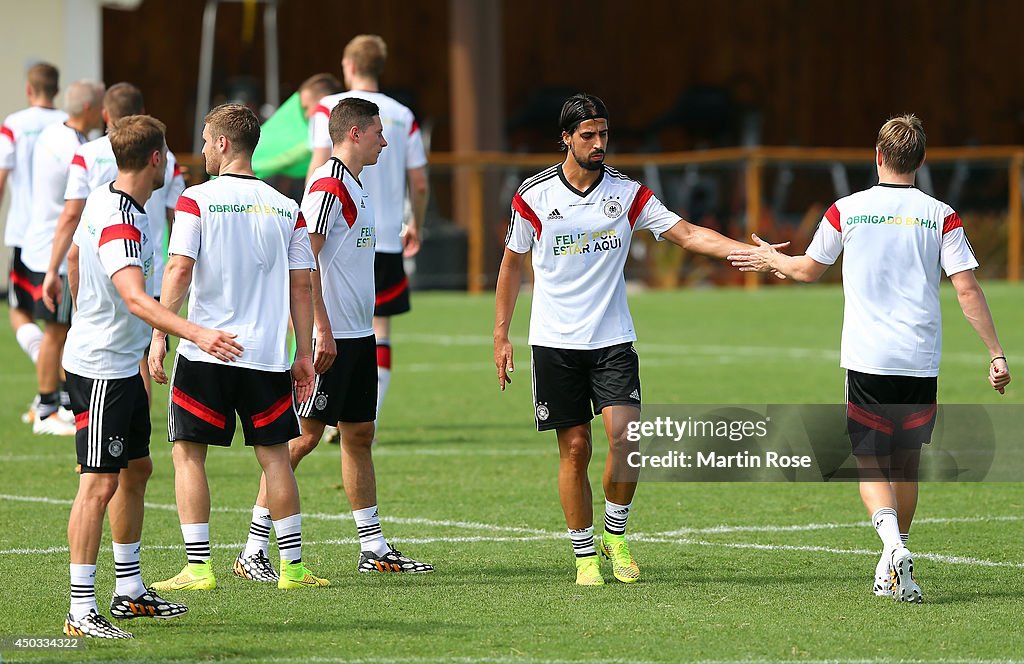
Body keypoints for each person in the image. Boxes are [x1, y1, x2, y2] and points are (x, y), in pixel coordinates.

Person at [493, 93, 782, 586]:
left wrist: (751, 255)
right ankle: (585, 557)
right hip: (555, 342)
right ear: (566, 139)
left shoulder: (628, 195)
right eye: (588, 135)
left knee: (627, 442)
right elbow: (511, 262)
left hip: (612, 340)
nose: (599, 143)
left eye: (604, 134)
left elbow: (689, 234)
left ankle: (616, 535)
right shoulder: (534, 195)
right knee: (576, 448)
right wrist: (501, 335)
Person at [727, 114, 1012, 603]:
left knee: (870, 464)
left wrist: (769, 259)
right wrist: (996, 353)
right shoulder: (940, 214)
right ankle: (892, 567)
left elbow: (808, 270)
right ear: (920, 160)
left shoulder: (847, 210)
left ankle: (891, 547)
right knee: (906, 465)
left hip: (867, 358)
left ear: (877, 156)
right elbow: (967, 288)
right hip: (920, 360)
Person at [235, 98, 432, 582]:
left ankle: (373, 548)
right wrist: (319, 329)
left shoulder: (360, 187)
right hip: (333, 339)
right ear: (356, 133)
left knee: (359, 436)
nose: (386, 141)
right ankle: (252, 549)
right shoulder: (326, 186)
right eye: (379, 133)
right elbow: (305, 261)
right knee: (301, 440)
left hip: (359, 335)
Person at [61, 115, 240, 638]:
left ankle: (130, 590)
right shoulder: (118, 220)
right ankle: (79, 609)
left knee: (136, 472)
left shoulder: (114, 200)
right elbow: (136, 298)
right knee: (97, 484)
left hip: (121, 361)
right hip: (101, 368)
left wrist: (90, 314)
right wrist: (194, 333)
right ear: (157, 158)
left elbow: (75, 259)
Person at [149, 103, 329, 591]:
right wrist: (304, 354)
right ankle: (291, 569)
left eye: (207, 139)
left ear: (224, 143)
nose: (204, 147)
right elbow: (301, 286)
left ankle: (199, 568)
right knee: (274, 456)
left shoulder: (196, 200)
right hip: (267, 355)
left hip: (207, 351)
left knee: (188, 454)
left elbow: (179, 269)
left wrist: (160, 332)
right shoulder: (287, 208)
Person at [308, 35, 429, 434]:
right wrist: (417, 224)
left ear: (349, 64)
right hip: (386, 238)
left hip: (341, 232)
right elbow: (420, 182)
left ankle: (342, 414)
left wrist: (304, 217)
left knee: (319, 318)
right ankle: (345, 408)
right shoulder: (404, 114)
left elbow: (317, 166)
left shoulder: (329, 107)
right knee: (380, 330)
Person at [42, 81, 186, 398]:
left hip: (103, 279)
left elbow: (71, 220)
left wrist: (53, 272)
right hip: (148, 274)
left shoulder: (88, 159)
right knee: (136, 356)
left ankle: (129, 435)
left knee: (125, 355)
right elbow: (178, 218)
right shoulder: (165, 157)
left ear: (107, 113)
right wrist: (199, 332)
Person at [19, 79, 105, 436]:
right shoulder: (75, 147)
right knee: (56, 329)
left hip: (41, 241)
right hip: (54, 247)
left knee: (62, 327)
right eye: (101, 105)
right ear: (90, 109)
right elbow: (73, 207)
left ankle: (63, 403)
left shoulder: (53, 136)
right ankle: (45, 408)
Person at [0, 63, 66, 390]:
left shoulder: (15, 124)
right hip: (61, 236)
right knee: (60, 319)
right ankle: (56, 381)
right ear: (56, 88)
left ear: (29, 89)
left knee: (19, 311)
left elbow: (2, 175)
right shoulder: (69, 123)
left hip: (25, 234)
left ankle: (45, 365)